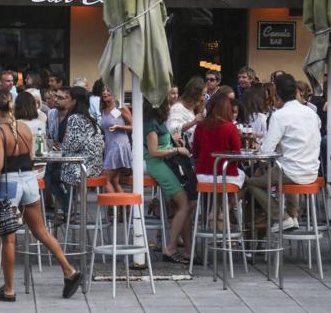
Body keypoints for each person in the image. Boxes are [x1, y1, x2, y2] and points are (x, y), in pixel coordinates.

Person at [0, 89, 82, 301]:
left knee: (8, 240)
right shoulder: (24, 128)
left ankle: (9, 289)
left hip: (9, 183)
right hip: (30, 180)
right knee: (42, 232)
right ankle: (69, 270)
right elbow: (32, 157)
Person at [246, 74, 321, 232]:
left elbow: (266, 151)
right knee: (284, 170)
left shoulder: (280, 116)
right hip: (313, 172)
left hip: (291, 173)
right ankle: (293, 216)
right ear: (296, 92)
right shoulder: (311, 113)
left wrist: (262, 162)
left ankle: (281, 217)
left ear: (277, 95)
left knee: (251, 183)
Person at [143, 98, 194, 264]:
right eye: (167, 104)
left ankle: (188, 250)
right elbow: (153, 152)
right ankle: (171, 248)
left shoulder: (157, 122)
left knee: (182, 206)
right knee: (184, 205)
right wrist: (176, 149)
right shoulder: (151, 124)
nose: (170, 107)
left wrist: (173, 140)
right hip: (158, 165)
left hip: (164, 163)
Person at [193, 88, 245, 228]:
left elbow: (196, 152)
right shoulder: (230, 127)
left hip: (203, 175)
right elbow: (237, 153)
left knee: (218, 187)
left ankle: (214, 211)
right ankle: (225, 210)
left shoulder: (200, 126)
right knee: (245, 180)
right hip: (225, 173)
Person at [61, 86, 104, 188]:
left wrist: (62, 147)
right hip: (96, 167)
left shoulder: (74, 118)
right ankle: (72, 202)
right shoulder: (91, 118)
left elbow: (73, 145)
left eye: (67, 98)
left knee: (55, 174)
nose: (65, 101)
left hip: (83, 168)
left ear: (74, 101)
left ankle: (67, 204)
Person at [99, 83, 132, 194]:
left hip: (119, 146)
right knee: (114, 180)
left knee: (104, 179)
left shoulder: (120, 108)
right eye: (103, 90)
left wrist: (120, 126)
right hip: (109, 146)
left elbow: (134, 126)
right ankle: (121, 207)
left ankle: (114, 206)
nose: (105, 92)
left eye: (108, 90)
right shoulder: (104, 110)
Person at [166, 76, 206, 147]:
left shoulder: (199, 109)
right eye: (203, 95)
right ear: (194, 95)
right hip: (183, 152)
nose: (204, 98)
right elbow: (172, 129)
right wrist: (193, 122)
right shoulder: (177, 108)